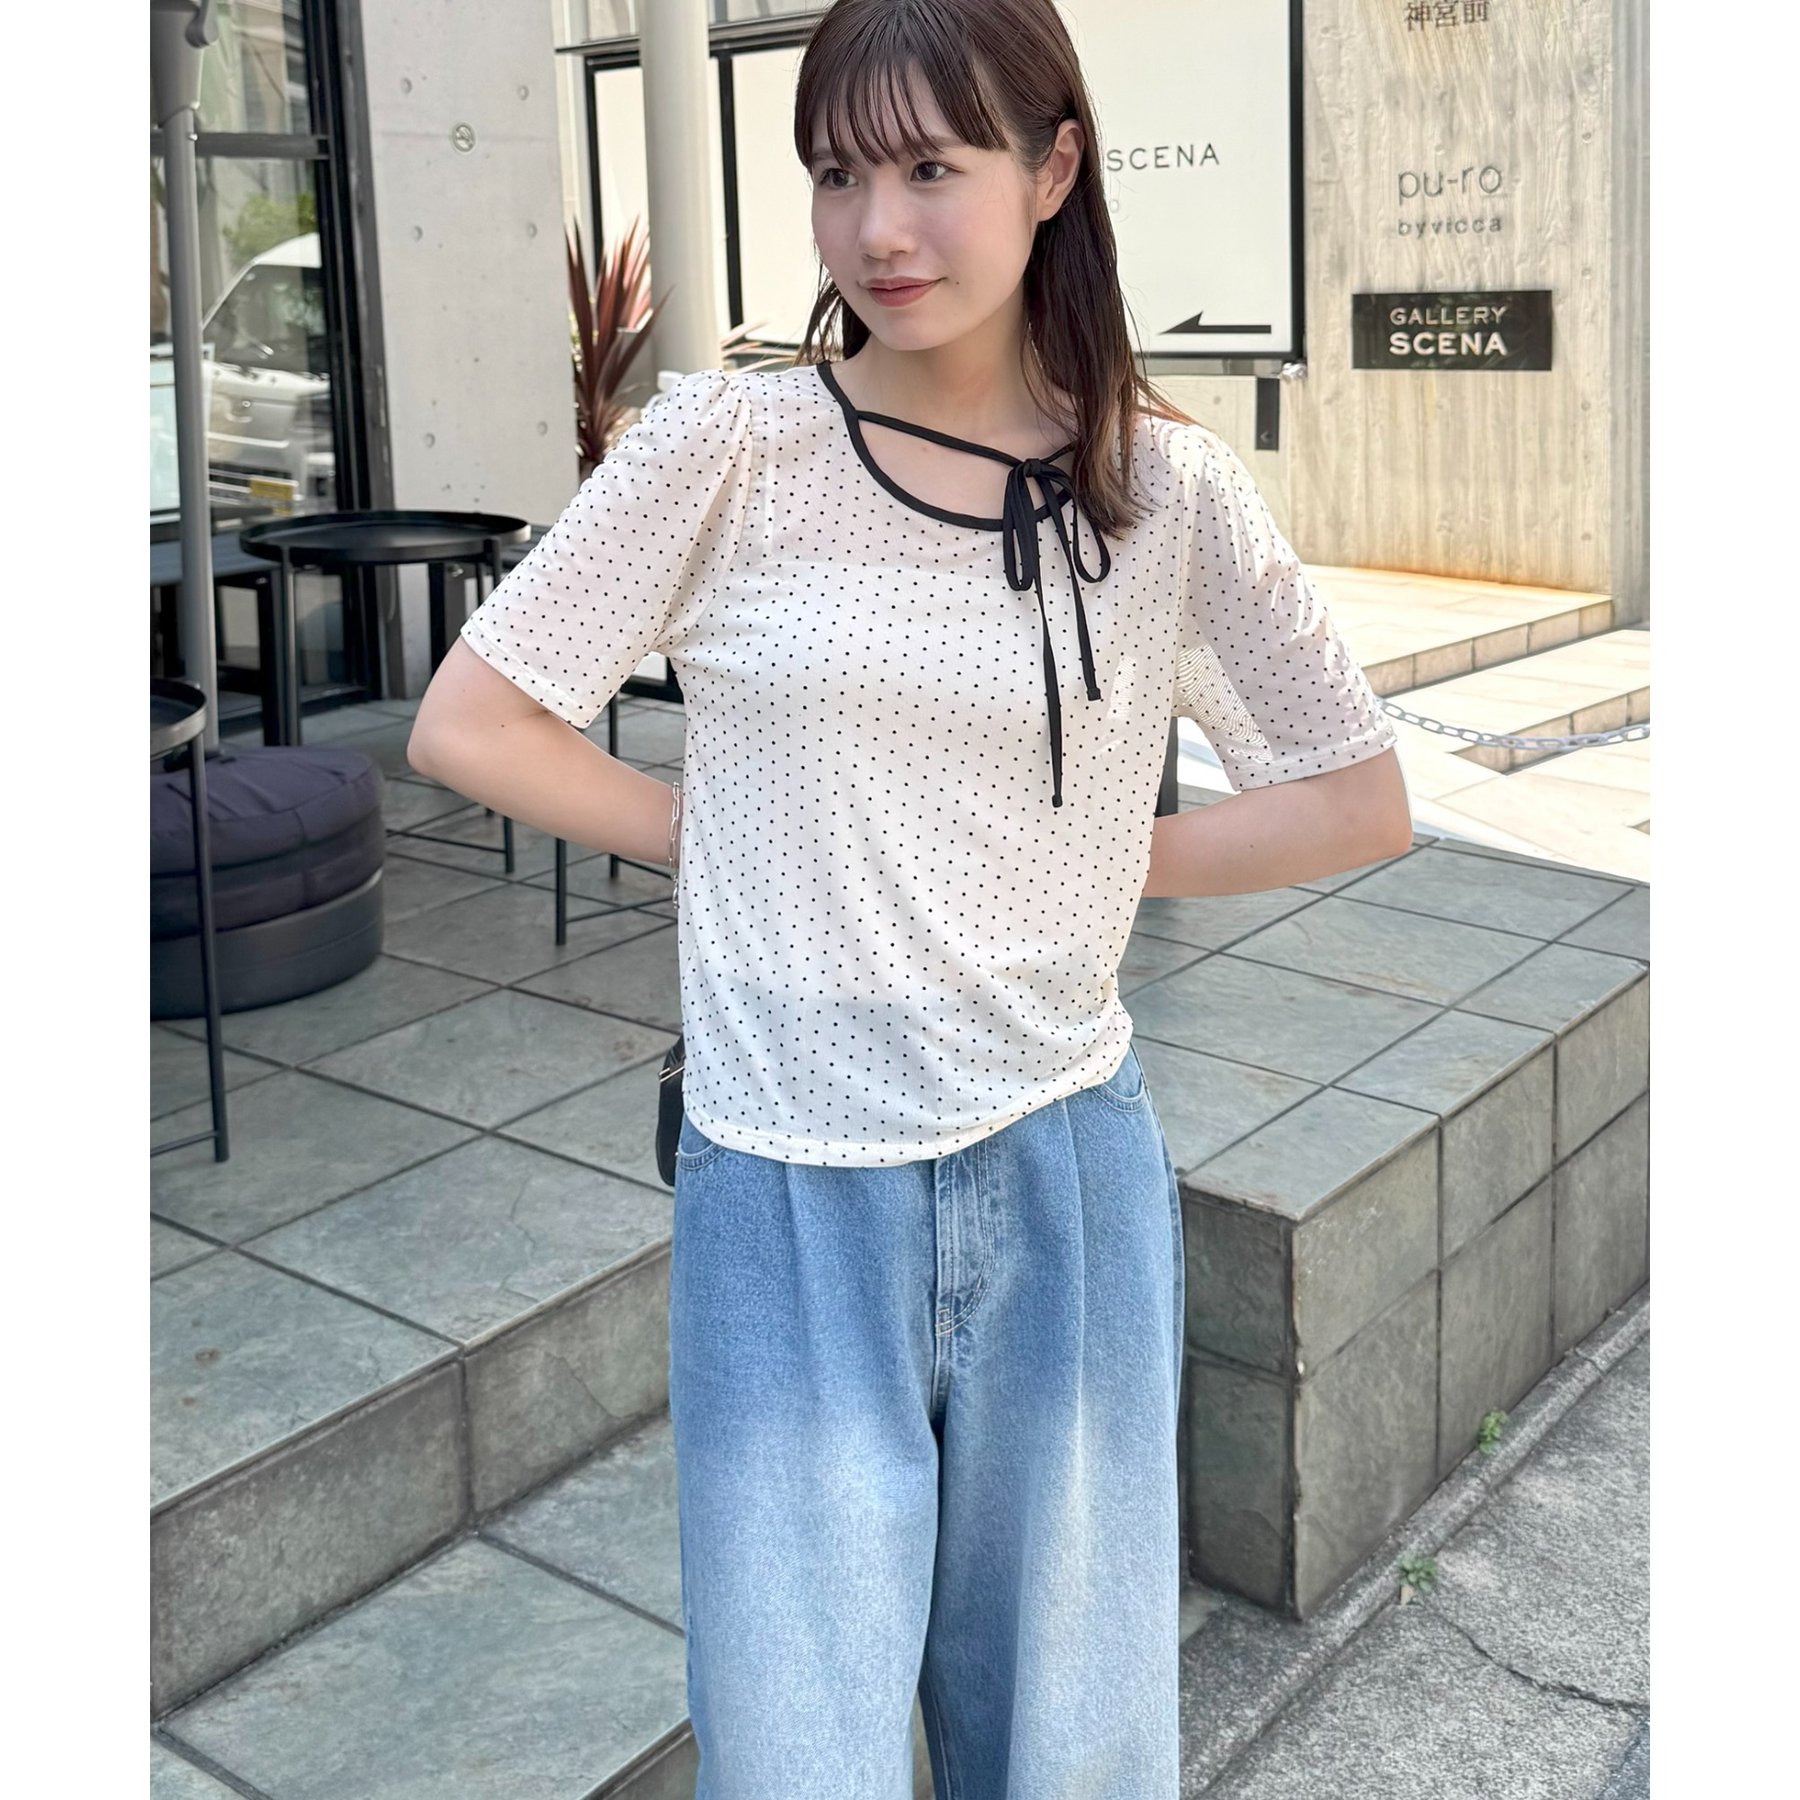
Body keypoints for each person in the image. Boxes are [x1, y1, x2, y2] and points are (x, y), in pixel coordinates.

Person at [408, 1, 1413, 1792]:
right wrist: (721, 832)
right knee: (799, 1752)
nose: (879, 230)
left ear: (1053, 168)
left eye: (933, 169)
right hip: (785, 1180)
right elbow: (470, 722)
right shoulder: (728, 450)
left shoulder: (1160, 489)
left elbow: (1358, 794)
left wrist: (1095, 864)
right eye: (837, 174)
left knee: (1073, 1746)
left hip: (1066, 1168)